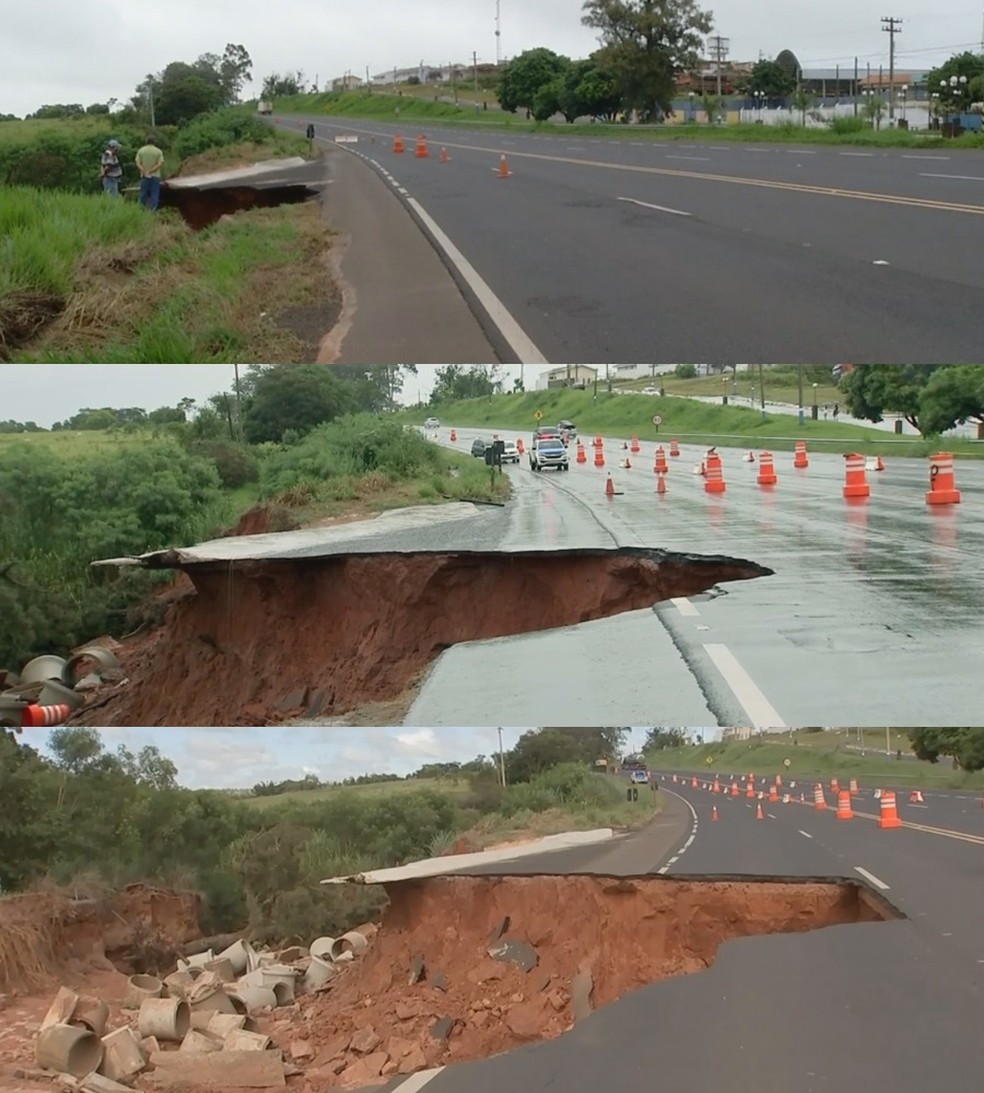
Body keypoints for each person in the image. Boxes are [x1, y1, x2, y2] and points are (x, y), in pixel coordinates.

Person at [135, 136, 164, 211]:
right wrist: (151, 171)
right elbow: (160, 163)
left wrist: (145, 171)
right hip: (155, 176)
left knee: (143, 193)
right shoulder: (158, 151)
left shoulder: (141, 150)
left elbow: (137, 163)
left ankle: (140, 210)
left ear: (146, 141)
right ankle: (153, 211)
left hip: (144, 176)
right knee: (154, 194)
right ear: (154, 142)